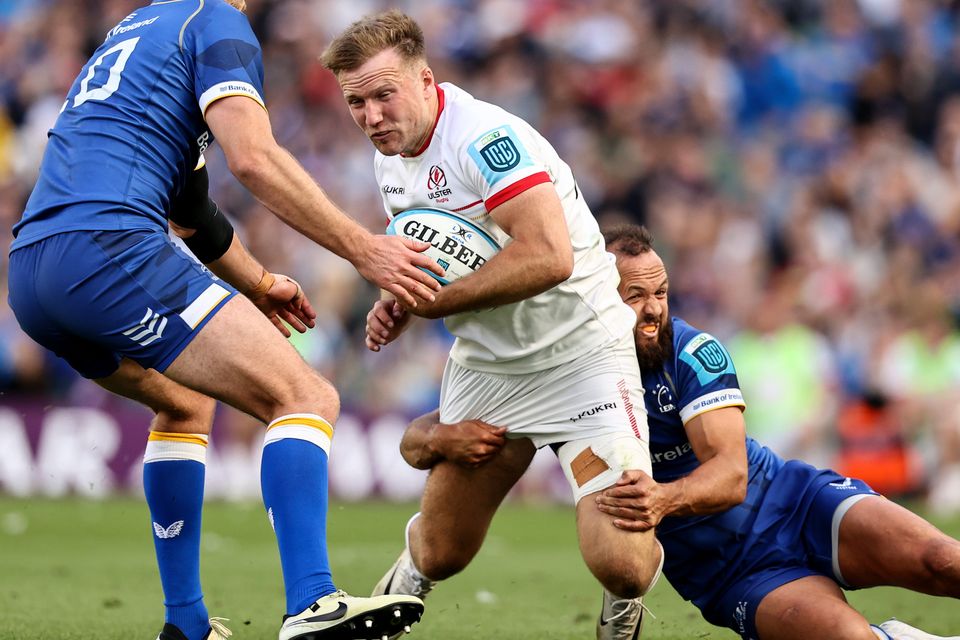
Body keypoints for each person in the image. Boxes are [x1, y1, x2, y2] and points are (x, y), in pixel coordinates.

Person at [6, 2, 438, 639]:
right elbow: (254, 158)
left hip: (32, 272)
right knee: (304, 396)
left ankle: (186, 625)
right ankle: (312, 603)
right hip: (109, 245)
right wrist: (362, 247)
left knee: (184, 405)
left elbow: (190, 210)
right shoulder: (214, 19)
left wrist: (260, 284)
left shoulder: (136, 31)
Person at [401, 223, 960, 640]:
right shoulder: (556, 370)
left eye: (661, 293)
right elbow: (417, 438)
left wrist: (662, 498)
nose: (654, 311)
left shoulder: (693, 352)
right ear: (596, 300)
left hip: (794, 503)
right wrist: (440, 440)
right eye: (635, 296)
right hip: (727, 572)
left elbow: (732, 475)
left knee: (943, 561)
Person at [320, 10, 663, 639]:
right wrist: (401, 293)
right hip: (489, 365)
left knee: (623, 564)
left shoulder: (483, 138)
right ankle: (404, 582)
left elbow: (548, 256)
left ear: (425, 80)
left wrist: (438, 303)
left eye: (383, 95)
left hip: (582, 355)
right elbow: (441, 253)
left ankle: (624, 607)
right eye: (356, 102)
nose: (371, 116)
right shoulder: (389, 159)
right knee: (443, 552)